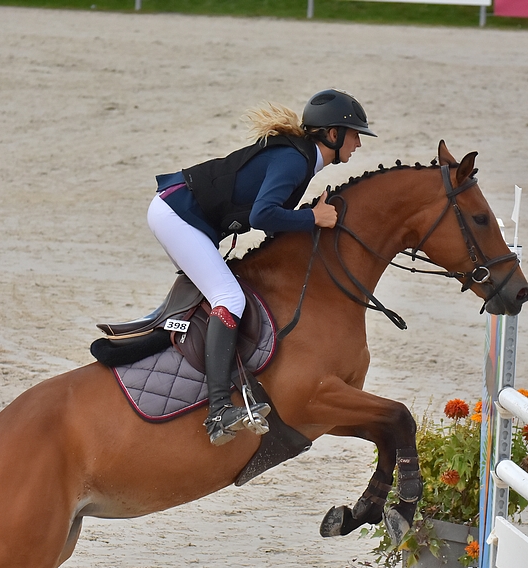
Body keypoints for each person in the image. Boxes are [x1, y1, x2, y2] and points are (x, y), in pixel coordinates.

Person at [147, 89, 375, 446]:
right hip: (177, 213)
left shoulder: (301, 160)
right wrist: (312, 217)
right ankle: (219, 411)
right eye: (355, 134)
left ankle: (154, 340)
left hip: (180, 212)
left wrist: (306, 216)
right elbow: (262, 216)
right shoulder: (294, 161)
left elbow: (269, 222)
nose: (359, 142)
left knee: (213, 292)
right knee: (228, 297)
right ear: (333, 134)